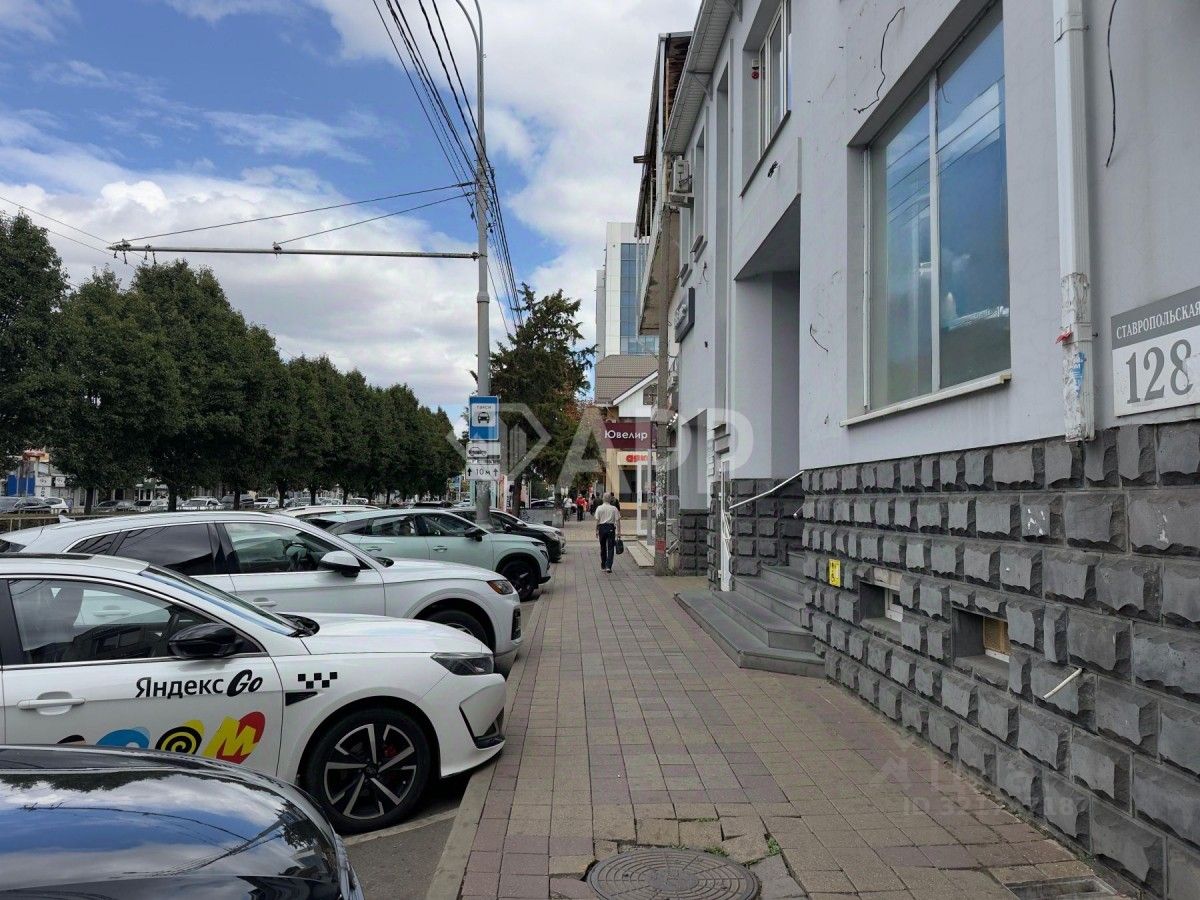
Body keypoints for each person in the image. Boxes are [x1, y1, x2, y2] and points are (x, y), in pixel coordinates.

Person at [593, 492, 620, 573]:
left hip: (601, 528)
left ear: (603, 499)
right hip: (611, 528)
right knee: (611, 547)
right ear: (610, 499)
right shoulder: (614, 508)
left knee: (603, 547)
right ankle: (608, 566)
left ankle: (603, 565)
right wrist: (619, 532)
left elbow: (597, 521)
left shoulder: (599, 508)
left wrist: (596, 530)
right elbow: (618, 521)